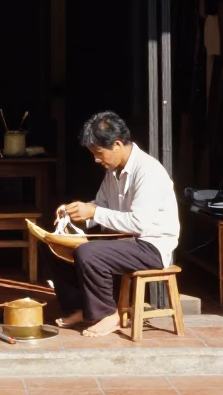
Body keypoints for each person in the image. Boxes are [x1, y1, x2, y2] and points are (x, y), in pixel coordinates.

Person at [45, 111, 180, 338]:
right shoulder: (113, 171)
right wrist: (74, 213)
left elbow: (139, 223)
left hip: (151, 245)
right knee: (53, 245)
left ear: (117, 144)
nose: (97, 159)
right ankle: (82, 308)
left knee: (88, 253)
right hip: (124, 240)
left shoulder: (148, 171)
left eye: (99, 153)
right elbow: (101, 205)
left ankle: (108, 314)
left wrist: (94, 212)